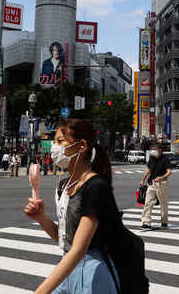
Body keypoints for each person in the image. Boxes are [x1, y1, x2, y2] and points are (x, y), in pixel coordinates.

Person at [23, 118, 120, 293]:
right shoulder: (63, 185)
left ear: (81, 147)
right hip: (67, 265)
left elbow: (79, 250)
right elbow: (66, 240)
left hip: (92, 271)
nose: (54, 147)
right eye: (54, 142)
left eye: (60, 141)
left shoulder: (95, 187)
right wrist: (41, 218)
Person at [139, 142, 172, 230]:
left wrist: (161, 178)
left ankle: (164, 222)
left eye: (154, 149)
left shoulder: (165, 159)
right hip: (151, 183)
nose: (152, 151)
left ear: (159, 150)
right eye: (152, 149)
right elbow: (148, 169)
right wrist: (143, 179)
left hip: (161, 183)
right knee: (148, 202)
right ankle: (146, 222)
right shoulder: (152, 158)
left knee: (163, 203)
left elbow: (169, 172)